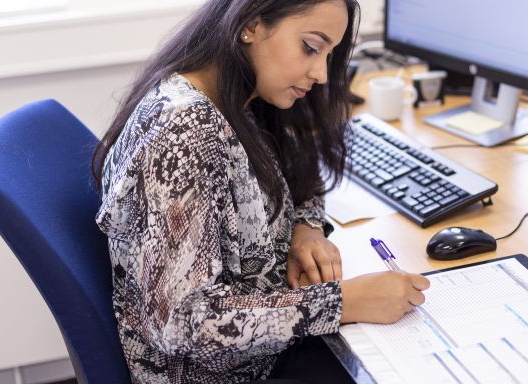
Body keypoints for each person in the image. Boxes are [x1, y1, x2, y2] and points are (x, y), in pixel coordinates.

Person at [92, 0, 430, 383]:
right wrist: (343, 303)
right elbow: (181, 323)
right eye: (311, 47)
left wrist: (306, 229)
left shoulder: (243, 97)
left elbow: (303, 176)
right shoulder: (183, 131)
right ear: (250, 26)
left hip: (270, 350)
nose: (321, 73)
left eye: (329, 55)